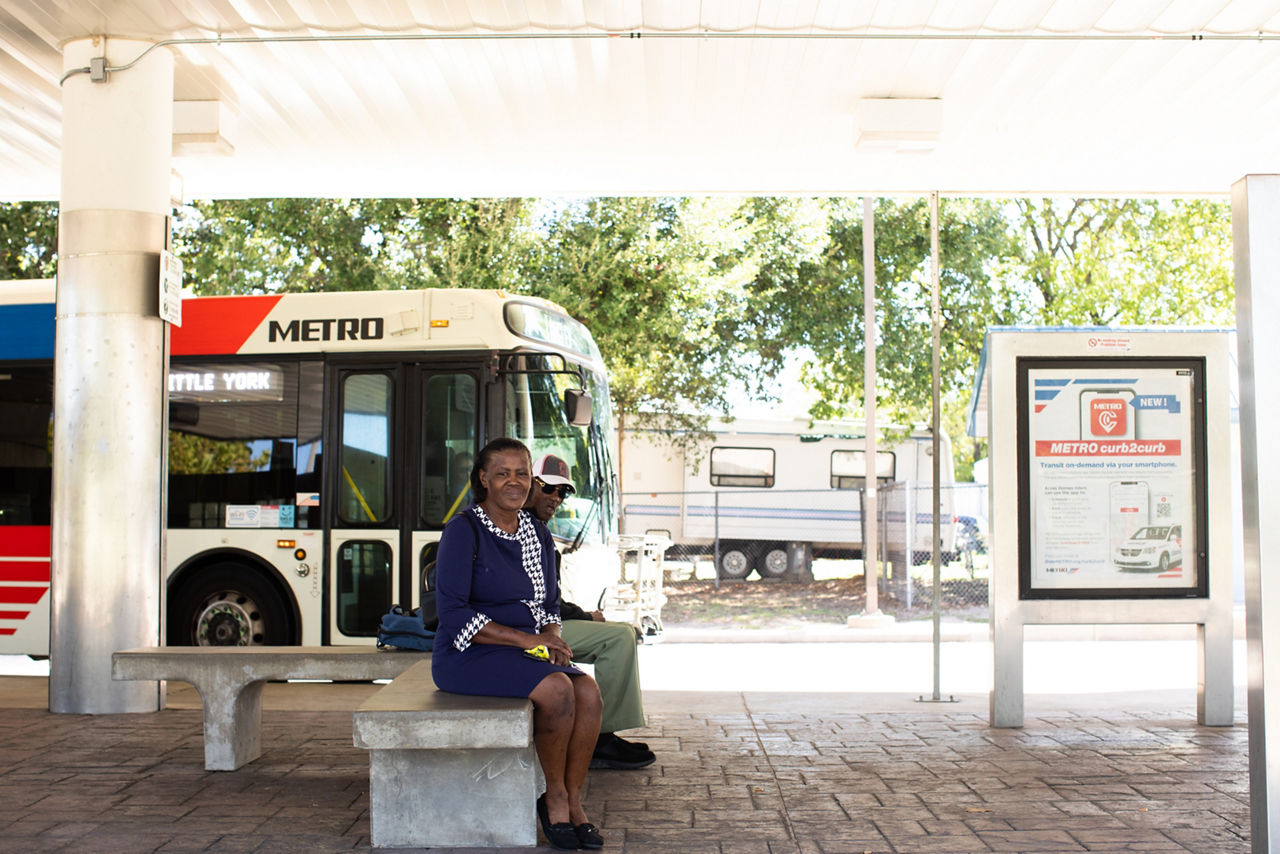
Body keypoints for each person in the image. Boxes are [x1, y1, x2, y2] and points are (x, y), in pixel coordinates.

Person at [432, 438, 604, 851]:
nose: (514, 481)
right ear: (484, 480)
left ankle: (573, 798)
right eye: (503, 473)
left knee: (590, 693)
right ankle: (555, 796)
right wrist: (529, 639)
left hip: (523, 651)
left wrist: (553, 637)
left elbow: (548, 604)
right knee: (559, 689)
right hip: (466, 652)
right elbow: (453, 614)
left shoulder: (537, 533)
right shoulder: (464, 530)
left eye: (522, 473)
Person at [526, 454, 656, 771]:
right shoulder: (519, 528)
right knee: (620, 637)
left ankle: (599, 734)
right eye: (548, 488)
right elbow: (540, 600)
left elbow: (548, 598)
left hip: (546, 623)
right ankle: (600, 738)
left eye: (563, 492)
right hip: (527, 630)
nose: (556, 498)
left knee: (622, 633)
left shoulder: (538, 531)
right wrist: (586, 617)